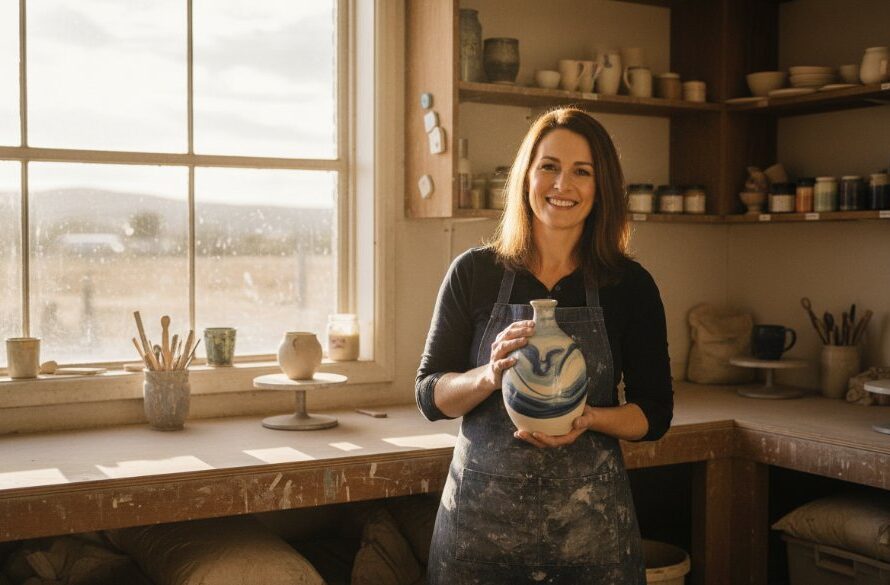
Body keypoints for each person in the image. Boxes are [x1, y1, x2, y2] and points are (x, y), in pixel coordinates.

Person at [415, 107, 673, 584]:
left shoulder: (628, 285)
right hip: (479, 534)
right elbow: (430, 396)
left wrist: (590, 418)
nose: (562, 185)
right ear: (526, 177)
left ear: (602, 188)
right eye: (549, 167)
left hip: (591, 536)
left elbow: (654, 414)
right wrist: (489, 376)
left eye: (582, 172)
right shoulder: (474, 272)